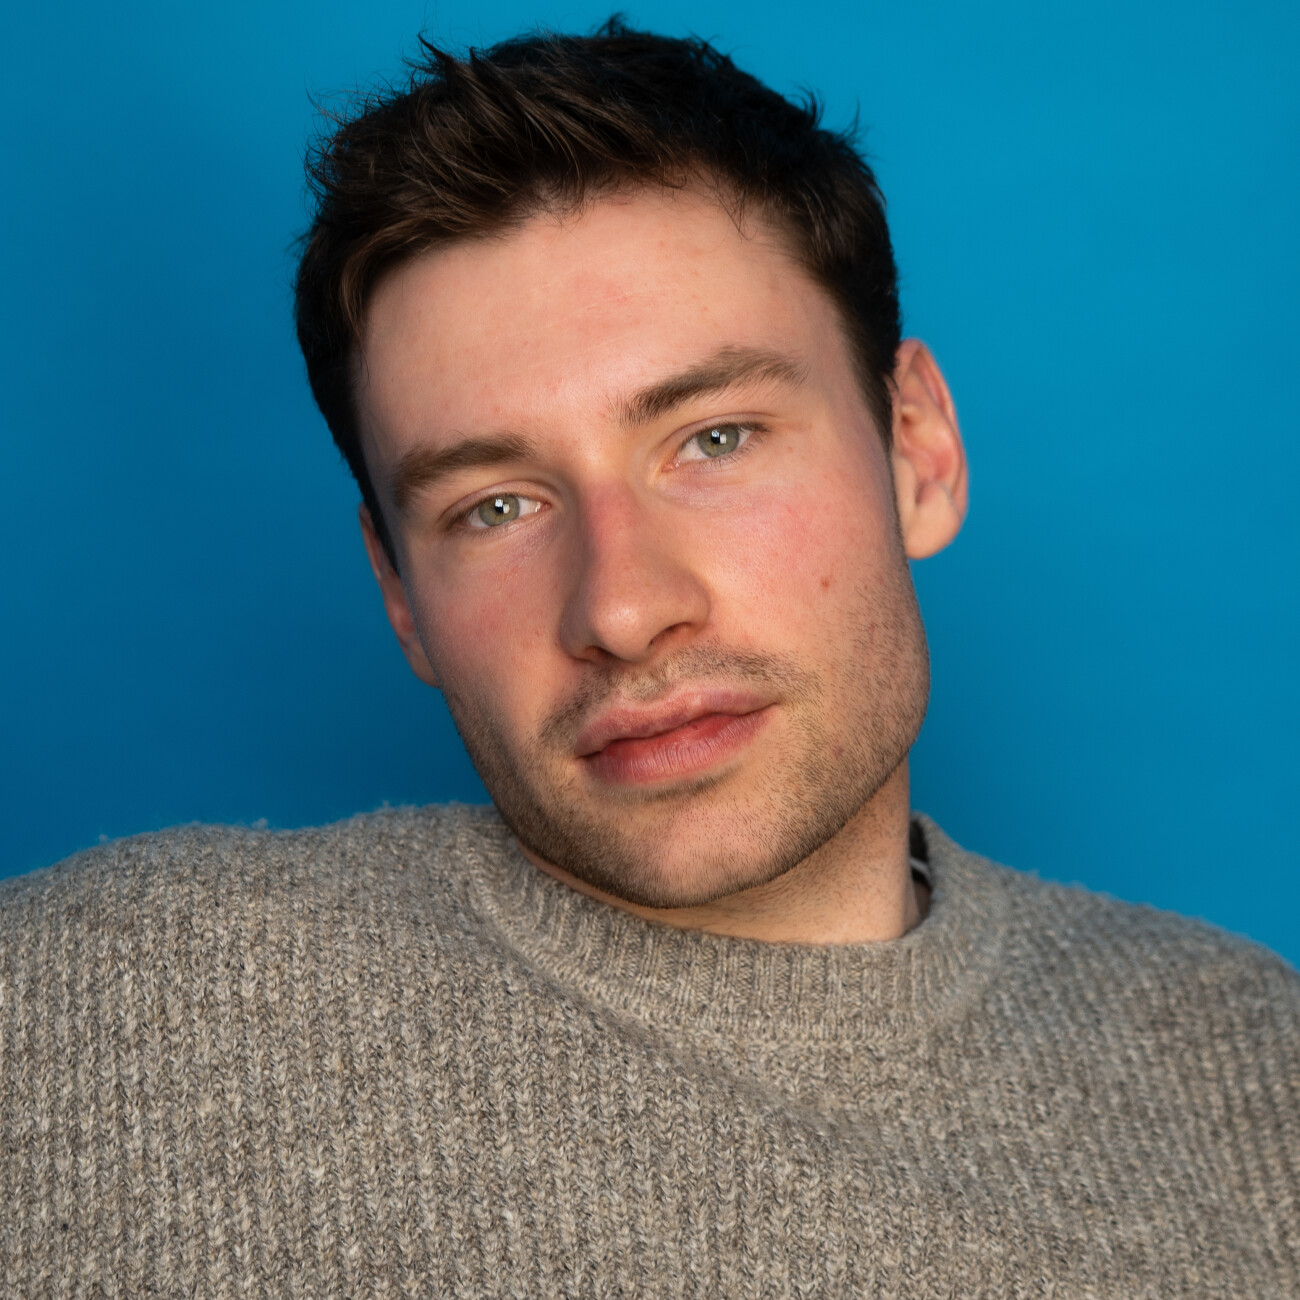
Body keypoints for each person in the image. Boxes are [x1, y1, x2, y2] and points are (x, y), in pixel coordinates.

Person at [2, 20, 1296, 1297]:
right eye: (494, 507)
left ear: (917, 449)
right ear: (398, 592)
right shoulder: (108, 1009)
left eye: (715, 439)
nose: (622, 609)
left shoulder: (1253, 1069)